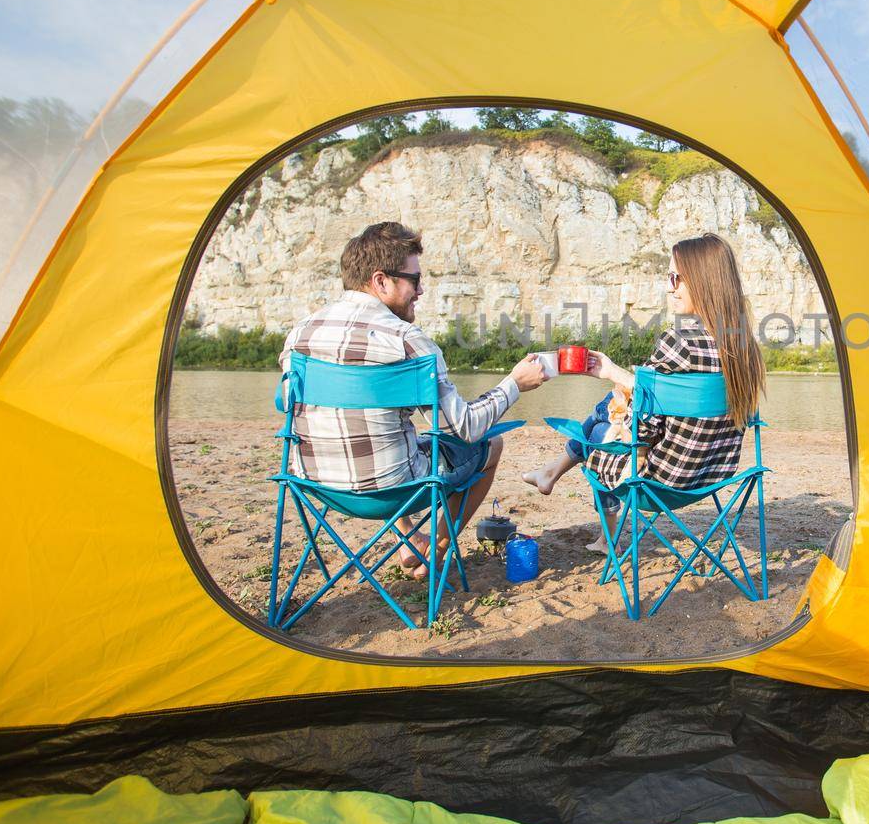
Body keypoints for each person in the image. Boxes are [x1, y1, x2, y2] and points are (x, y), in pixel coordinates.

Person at [281, 221, 546, 577]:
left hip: (315, 483)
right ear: (381, 281)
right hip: (392, 489)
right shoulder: (407, 341)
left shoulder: (300, 334)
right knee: (490, 445)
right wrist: (514, 383)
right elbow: (465, 427)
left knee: (390, 435)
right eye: (415, 280)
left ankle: (409, 539)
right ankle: (434, 548)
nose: (420, 291)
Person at [522, 234, 766, 550]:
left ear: (703, 281)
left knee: (597, 430)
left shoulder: (680, 342)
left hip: (661, 481)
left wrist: (612, 378)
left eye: (677, 278)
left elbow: (643, 428)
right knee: (607, 408)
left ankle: (605, 537)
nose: (670, 287)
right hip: (714, 475)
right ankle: (554, 475)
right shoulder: (745, 347)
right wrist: (619, 379)